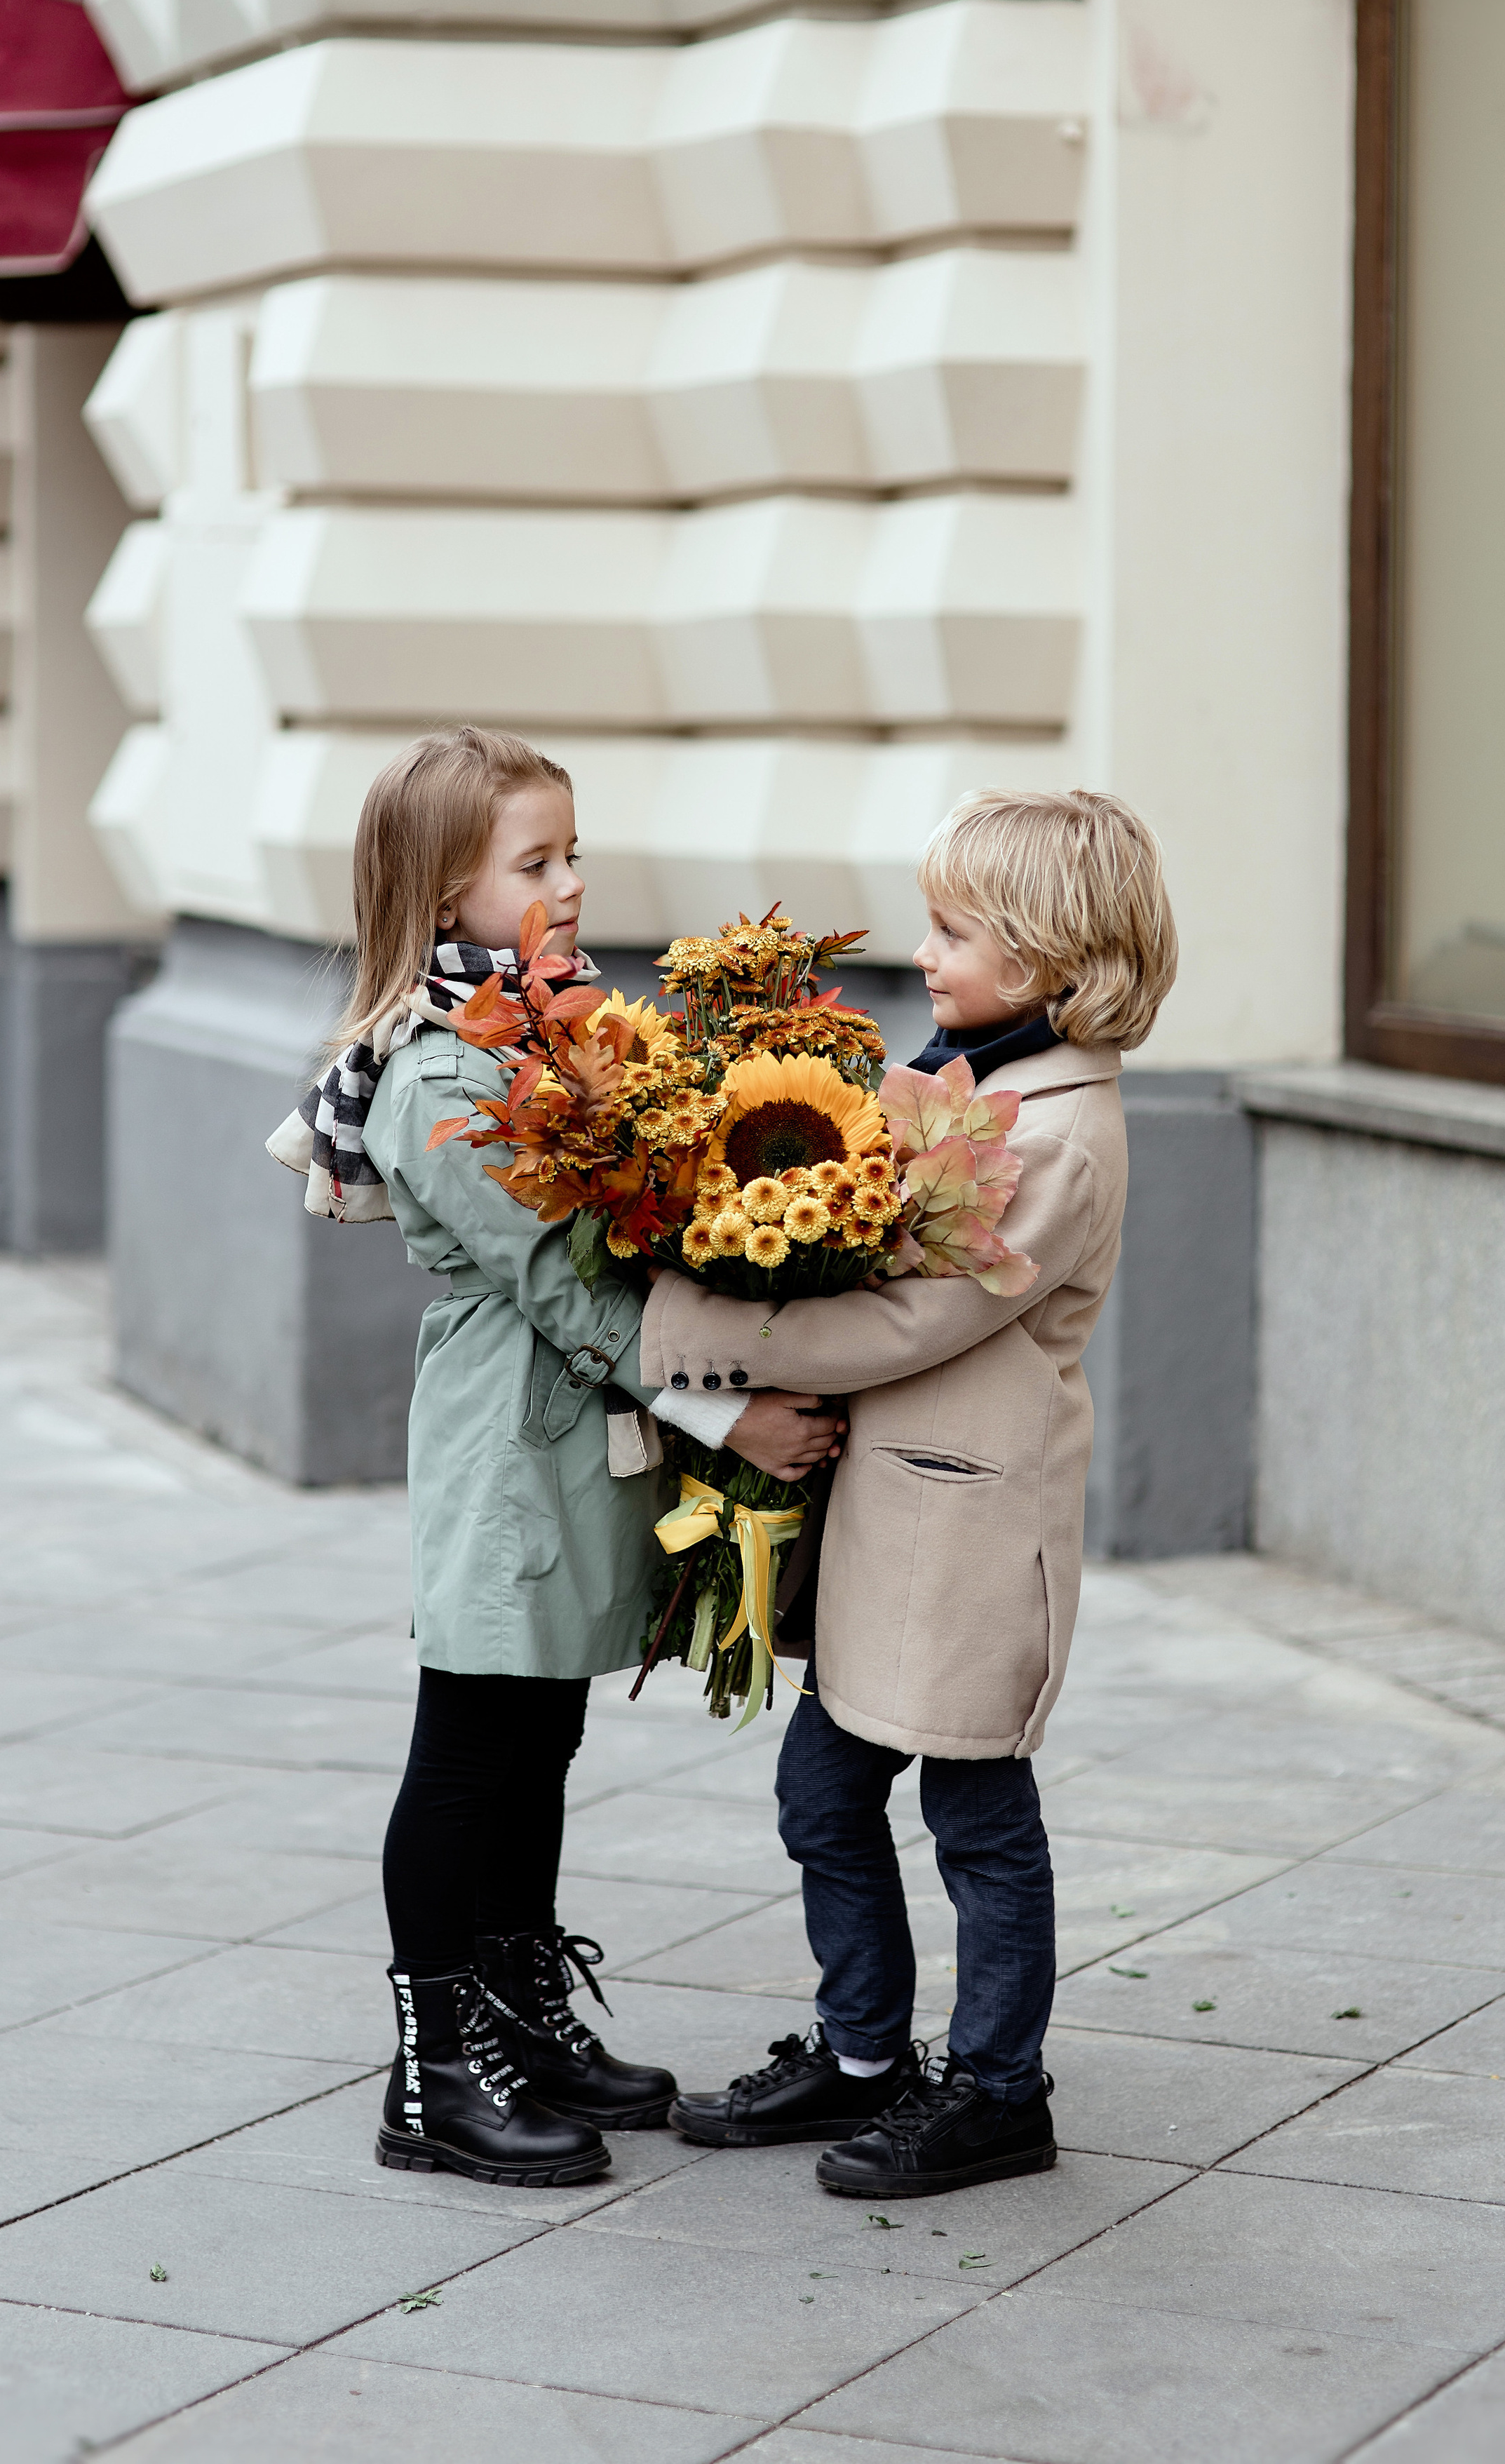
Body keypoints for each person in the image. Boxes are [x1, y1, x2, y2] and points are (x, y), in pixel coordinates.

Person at [279, 727, 839, 2188]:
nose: (571, 883)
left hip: (578, 1429)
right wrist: (739, 1411)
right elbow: (558, 1290)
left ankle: (521, 2023)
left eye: (570, 852)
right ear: (441, 890)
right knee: (468, 1742)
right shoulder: (440, 1077)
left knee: (537, 1734)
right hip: (510, 1440)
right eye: (536, 863)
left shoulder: (541, 1034)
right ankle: (432, 2077)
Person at [640, 788, 1177, 2198]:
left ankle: (998, 2089)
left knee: (978, 1816)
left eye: (953, 931)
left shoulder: (1055, 1133)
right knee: (825, 1796)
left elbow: (904, 1323)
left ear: (1053, 957)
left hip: (966, 1525)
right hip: (893, 1513)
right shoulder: (962, 1069)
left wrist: (689, 1330)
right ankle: (863, 2054)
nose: (924, 953)